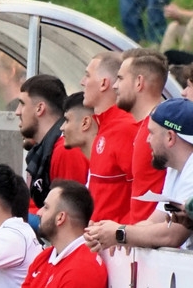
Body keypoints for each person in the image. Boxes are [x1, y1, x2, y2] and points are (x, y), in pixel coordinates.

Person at [84, 97, 193, 251]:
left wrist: (120, 233)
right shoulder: (175, 167)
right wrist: (106, 232)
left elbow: (172, 235)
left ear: (170, 137)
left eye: (151, 133)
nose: (147, 140)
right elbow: (155, 221)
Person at [15, 74, 89, 213]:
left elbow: (69, 214)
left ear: (40, 108)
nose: (17, 112)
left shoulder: (65, 150)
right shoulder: (49, 150)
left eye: (22, 103)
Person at [80, 52, 137, 222]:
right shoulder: (104, 126)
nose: (82, 82)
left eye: (87, 75)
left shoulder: (125, 128)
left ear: (104, 83)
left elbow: (143, 193)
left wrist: (119, 230)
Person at [116, 48, 169, 221]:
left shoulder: (159, 130)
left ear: (139, 82)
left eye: (120, 78)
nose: (115, 86)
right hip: (140, 233)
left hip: (151, 234)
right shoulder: (146, 127)